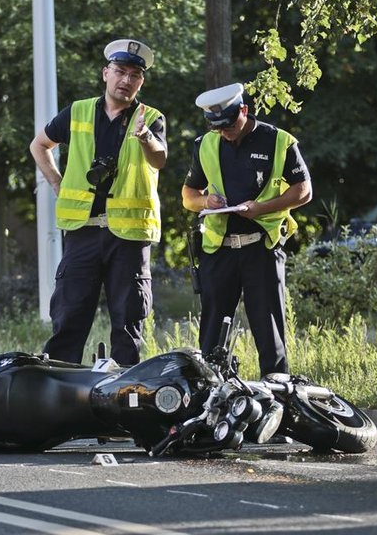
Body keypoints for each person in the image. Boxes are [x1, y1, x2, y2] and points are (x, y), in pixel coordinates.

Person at [29, 38, 167, 365]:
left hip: (129, 237)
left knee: (128, 321)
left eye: (134, 75)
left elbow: (160, 159)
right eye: (120, 71)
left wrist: (145, 136)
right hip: (83, 231)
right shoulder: (77, 112)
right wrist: (57, 183)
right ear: (106, 73)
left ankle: (126, 395)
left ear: (141, 81)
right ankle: (58, 387)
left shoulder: (151, 117)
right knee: (69, 314)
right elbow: (39, 145)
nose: (126, 80)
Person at [181, 82, 311, 376]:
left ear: (244, 110)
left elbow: (304, 191)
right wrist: (206, 200)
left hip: (260, 247)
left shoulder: (278, 140)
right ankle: (213, 392)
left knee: (269, 328)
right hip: (218, 250)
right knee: (212, 333)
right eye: (217, 127)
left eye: (229, 124)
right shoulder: (205, 144)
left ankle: (277, 392)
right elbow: (188, 195)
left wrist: (261, 208)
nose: (224, 131)